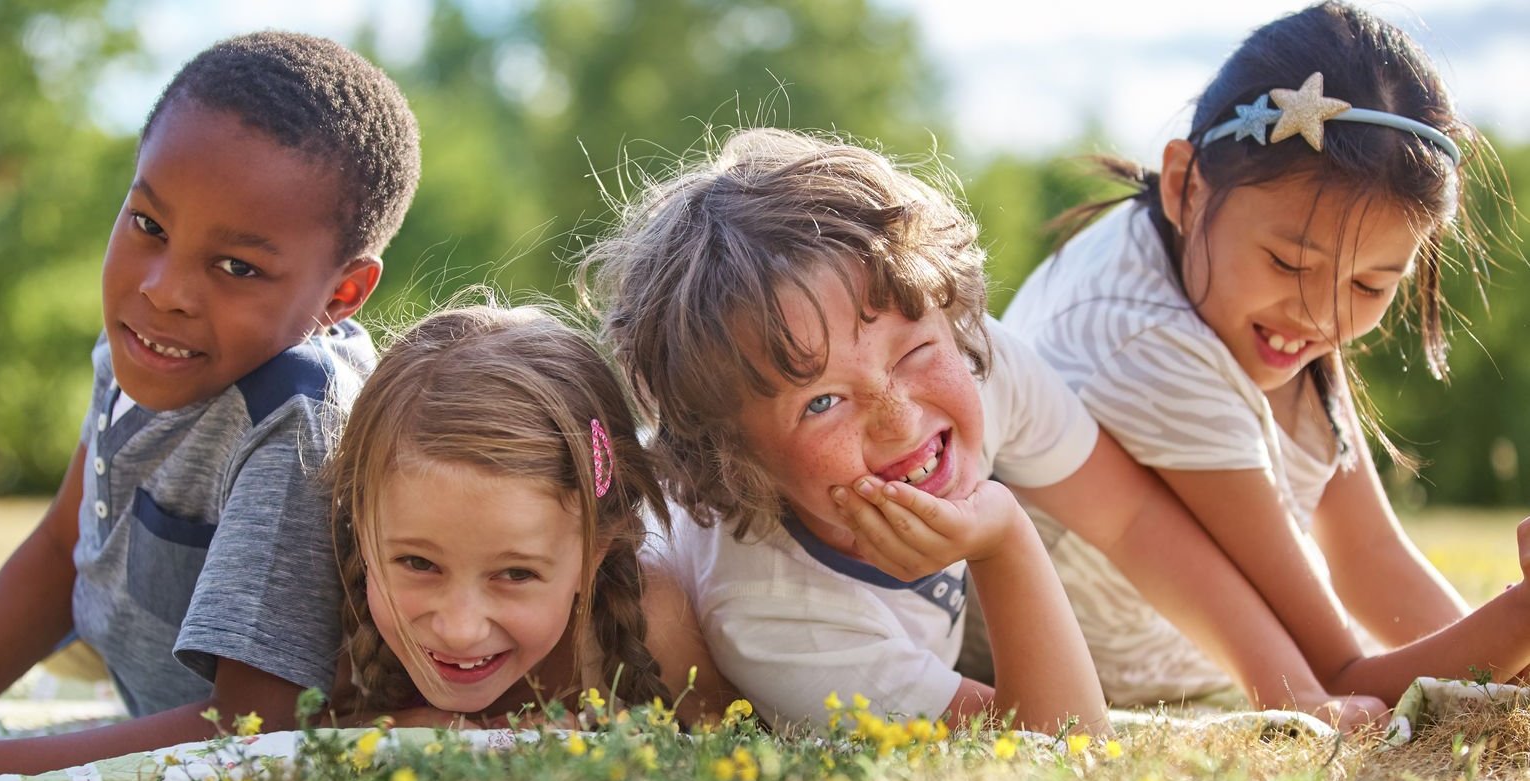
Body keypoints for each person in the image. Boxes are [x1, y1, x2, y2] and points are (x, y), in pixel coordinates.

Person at [581, 127, 1384, 735]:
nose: (900, 418)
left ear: (951, 315)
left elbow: (1134, 521)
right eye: (821, 401)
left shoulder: (976, 359)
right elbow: (1056, 744)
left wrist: (1296, 695)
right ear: (734, 458)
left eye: (913, 350)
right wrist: (1002, 537)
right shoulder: (777, 619)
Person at [0, 32, 420, 774]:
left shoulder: (297, 422)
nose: (163, 288)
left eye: (237, 266)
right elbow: (64, 553)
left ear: (340, 295)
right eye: (149, 225)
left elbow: (254, 725)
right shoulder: (148, 343)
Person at [1002, 1, 1530, 707]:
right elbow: (1338, 677)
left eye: (1373, 283)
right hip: (1120, 680)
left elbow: (1366, 554)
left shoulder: (1234, 278)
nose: (1322, 316)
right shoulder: (1144, 344)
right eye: (1289, 263)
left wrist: (1509, 658)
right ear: (1185, 185)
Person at [324, 304, 726, 725]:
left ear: (594, 555)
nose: (461, 629)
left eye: (516, 574)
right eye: (419, 563)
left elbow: (726, 747)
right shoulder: (337, 622)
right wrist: (407, 729)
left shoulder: (654, 624)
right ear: (363, 531)